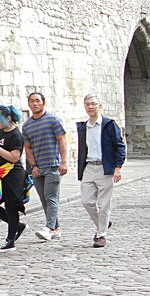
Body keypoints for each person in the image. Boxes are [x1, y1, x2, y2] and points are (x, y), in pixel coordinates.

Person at [76, 94, 126, 248]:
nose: (90, 107)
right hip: (89, 166)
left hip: (105, 168)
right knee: (87, 201)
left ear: (100, 106)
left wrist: (117, 168)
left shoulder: (109, 125)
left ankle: (101, 234)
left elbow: (120, 146)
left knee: (104, 204)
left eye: (93, 104)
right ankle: (103, 223)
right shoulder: (83, 127)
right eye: (87, 104)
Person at [22, 91, 67, 242]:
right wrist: (33, 166)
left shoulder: (53, 119)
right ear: (28, 104)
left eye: (37, 101)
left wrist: (64, 162)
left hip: (53, 165)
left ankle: (48, 228)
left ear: (43, 102)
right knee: (44, 200)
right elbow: (27, 148)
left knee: (51, 197)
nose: (35, 104)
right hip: (37, 168)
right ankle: (56, 228)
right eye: (32, 101)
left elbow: (62, 140)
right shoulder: (27, 125)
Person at [0, 105, 28, 252]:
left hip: (13, 174)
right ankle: (18, 226)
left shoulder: (16, 135)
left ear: (8, 118)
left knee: (11, 206)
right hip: (0, 173)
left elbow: (14, 157)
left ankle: (10, 241)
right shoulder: (0, 132)